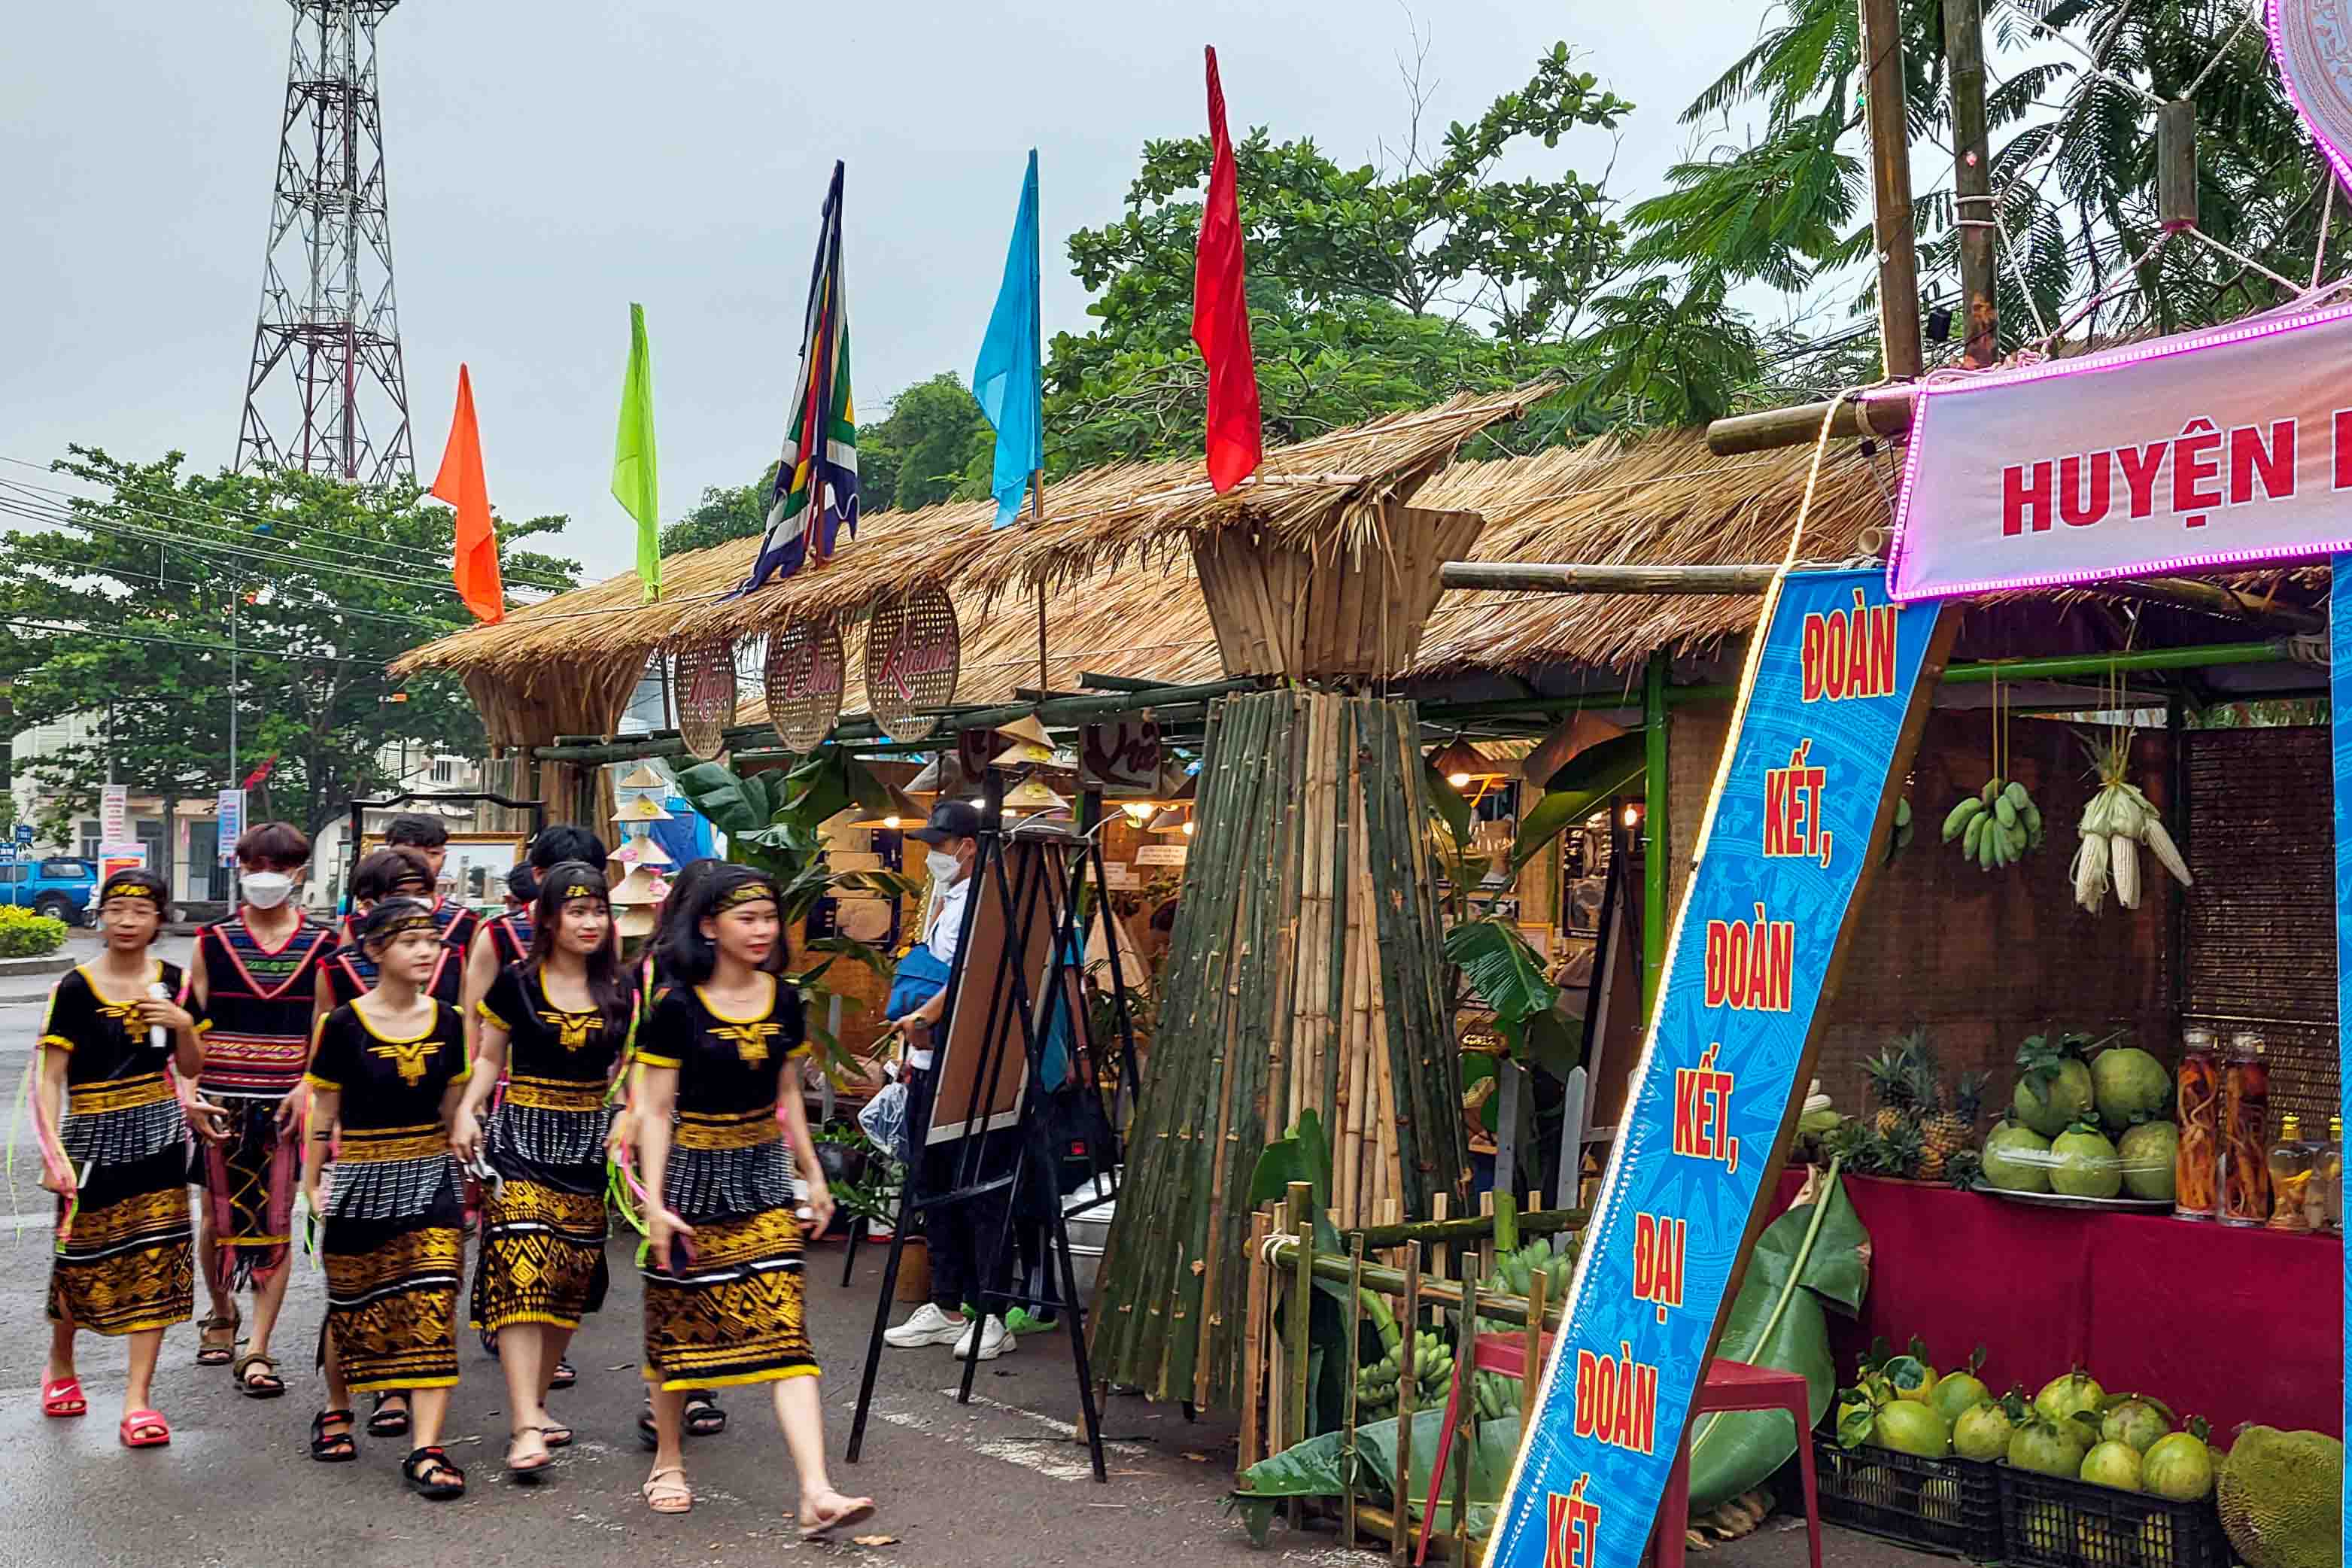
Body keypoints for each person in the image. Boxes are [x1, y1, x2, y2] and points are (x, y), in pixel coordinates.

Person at [631, 865, 872, 1532]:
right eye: (748, 918)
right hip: (692, 1179)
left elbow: (788, 1094)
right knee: (677, 1326)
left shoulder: (785, 999)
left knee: (786, 1332)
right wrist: (654, 1201)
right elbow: (653, 1111)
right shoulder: (676, 1007)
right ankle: (669, 1461)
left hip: (763, 1177)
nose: (763, 930)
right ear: (709, 927)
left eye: (769, 917)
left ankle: (816, 1490)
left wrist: (814, 1176)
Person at [451, 862, 631, 1478]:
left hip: (587, 1150)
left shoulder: (622, 991)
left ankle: (537, 1403)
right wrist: (469, 1112)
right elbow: (487, 1059)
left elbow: (636, 1072)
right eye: (577, 912)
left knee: (567, 1285)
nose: (590, 923)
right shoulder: (515, 985)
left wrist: (629, 1117)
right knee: (523, 1271)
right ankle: (524, 1424)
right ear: (548, 919)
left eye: (598, 911)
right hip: (521, 1141)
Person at [300, 900, 473, 1500]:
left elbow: (454, 1110)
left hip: (430, 1178)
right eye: (409, 941)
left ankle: (426, 1449)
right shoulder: (342, 1025)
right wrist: (312, 1180)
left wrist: (466, 1143)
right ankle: (336, 1404)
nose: (425, 951)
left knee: (432, 1304)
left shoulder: (451, 1020)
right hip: (360, 1179)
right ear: (373, 951)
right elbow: (323, 1112)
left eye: (431, 939)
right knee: (353, 1303)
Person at [32, 870, 205, 1447]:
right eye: (117, 909)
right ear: (100, 916)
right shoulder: (75, 988)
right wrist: (53, 1148)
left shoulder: (176, 983)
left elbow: (191, 1068)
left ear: (161, 920)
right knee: (78, 1259)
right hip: (89, 1137)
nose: (128, 921)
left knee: (154, 1256)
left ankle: (138, 1401)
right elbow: (50, 1077)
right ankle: (61, 1362)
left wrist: (184, 1026)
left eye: (141, 910)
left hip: (157, 1133)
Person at [188, 821, 339, 1396]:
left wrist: (309, 1086)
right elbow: (193, 1021)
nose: (266, 878)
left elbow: (326, 1023)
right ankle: (221, 1313)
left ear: (298, 873)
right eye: (255, 867)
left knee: (277, 1220)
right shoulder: (213, 940)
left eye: (277, 868)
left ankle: (258, 1348)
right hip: (220, 1097)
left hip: (287, 1099)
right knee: (216, 1216)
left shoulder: (322, 944)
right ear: (240, 868)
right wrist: (191, 1089)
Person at [880, 801, 1018, 1362]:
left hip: (973, 1067)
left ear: (969, 845)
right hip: (928, 1067)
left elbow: (974, 972)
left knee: (980, 1192)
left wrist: (925, 1017)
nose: (934, 853)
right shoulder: (948, 899)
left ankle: (990, 1312)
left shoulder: (988, 901)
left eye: (942, 844)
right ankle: (946, 1305)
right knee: (933, 1187)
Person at [319, 847, 460, 1017]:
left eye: (421, 894)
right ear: (371, 906)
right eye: (399, 895)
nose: (413, 904)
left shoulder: (451, 957)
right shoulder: (337, 967)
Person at [383, 813, 482, 958]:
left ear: (444, 859)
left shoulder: (466, 921)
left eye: (433, 854)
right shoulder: (362, 920)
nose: (421, 862)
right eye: (409, 853)